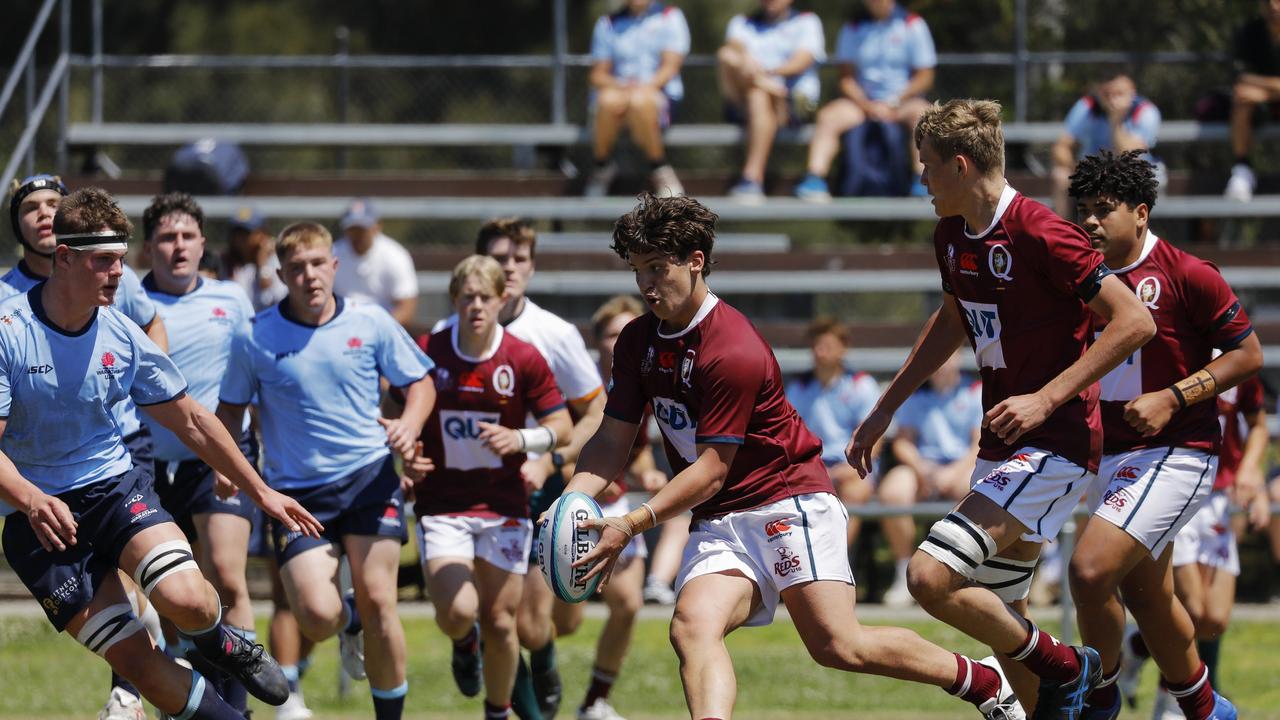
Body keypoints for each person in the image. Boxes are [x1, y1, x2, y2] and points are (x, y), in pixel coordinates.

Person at [566, 192, 1026, 720]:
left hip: (787, 501)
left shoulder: (729, 346)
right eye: (637, 271)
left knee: (837, 645)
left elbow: (713, 469)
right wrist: (571, 502)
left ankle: (982, 679)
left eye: (657, 268)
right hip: (721, 518)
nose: (647, 285)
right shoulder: (637, 341)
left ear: (696, 261)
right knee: (691, 627)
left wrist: (632, 521)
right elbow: (611, 438)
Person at [846, 100, 1156, 716]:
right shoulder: (951, 235)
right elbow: (954, 320)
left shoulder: (1042, 232)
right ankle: (1054, 685)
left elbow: (1134, 321)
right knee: (1005, 623)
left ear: (961, 166)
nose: (922, 180)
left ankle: (1073, 666)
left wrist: (1045, 398)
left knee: (930, 577)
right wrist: (886, 407)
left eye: (928, 167)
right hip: (1003, 447)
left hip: (1057, 442)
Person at [0, 186, 321, 719]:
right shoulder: (9, 334)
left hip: (111, 487)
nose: (118, 275)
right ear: (64, 258)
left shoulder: (121, 335)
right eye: (103, 262)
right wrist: (32, 498)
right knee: (138, 661)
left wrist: (262, 491)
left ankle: (220, 639)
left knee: (190, 600)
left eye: (121, 261)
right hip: (36, 519)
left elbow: (194, 419)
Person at [1065, 149, 1258, 720]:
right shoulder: (1076, 276)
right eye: (1084, 212)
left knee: (1089, 572)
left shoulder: (1188, 273)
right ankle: (1207, 711)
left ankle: (1099, 701)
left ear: (1142, 213)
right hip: (1110, 457)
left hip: (1175, 452)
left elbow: (1248, 357)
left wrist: (1173, 397)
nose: (1091, 223)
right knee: (1151, 600)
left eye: (1104, 210)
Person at [216, 221, 436, 720]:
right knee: (316, 615)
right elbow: (230, 410)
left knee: (382, 600)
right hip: (296, 493)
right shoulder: (255, 336)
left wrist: (409, 423)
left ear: (334, 266)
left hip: (369, 478)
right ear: (280, 275)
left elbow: (420, 382)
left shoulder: (370, 321)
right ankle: (348, 618)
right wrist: (228, 464)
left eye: (318, 264)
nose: (309, 276)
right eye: (297, 268)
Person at [8, 173, 174, 720]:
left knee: (137, 568)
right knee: (108, 594)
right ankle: (144, 656)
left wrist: (140, 386)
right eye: (31, 206)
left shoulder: (109, 270)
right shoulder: (6, 302)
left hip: (117, 442)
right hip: (41, 472)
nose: (44, 213)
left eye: (54, 203)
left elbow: (150, 329)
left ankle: (128, 690)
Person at [435, 217, 607, 719]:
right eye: (500, 259)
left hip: (537, 485)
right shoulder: (447, 335)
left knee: (530, 625)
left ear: (532, 267)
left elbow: (596, 412)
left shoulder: (552, 334)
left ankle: (545, 658)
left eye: (520, 259)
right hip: (465, 493)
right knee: (490, 616)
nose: (509, 268)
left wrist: (551, 460)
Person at [405, 255, 572, 720]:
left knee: (502, 623)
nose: (476, 306)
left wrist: (520, 439)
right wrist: (407, 451)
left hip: (503, 506)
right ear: (455, 299)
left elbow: (562, 426)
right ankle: (463, 641)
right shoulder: (430, 351)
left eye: (485, 297)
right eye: (467, 297)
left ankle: (497, 710)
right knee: (458, 610)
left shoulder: (521, 357)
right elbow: (397, 408)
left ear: (503, 299)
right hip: (443, 505)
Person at [140, 192, 262, 716]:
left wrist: (235, 453)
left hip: (215, 462)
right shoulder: (125, 300)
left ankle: (242, 705)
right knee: (172, 602)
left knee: (227, 577)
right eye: (167, 237)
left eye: (188, 236)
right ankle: (197, 705)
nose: (178, 246)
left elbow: (254, 378)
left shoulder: (232, 299)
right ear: (148, 247)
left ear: (203, 243)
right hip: (143, 465)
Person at [1118, 375, 1270, 718]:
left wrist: (1250, 473)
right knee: (1192, 611)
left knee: (1214, 620)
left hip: (1219, 497)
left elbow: (1257, 425)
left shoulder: (1235, 363)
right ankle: (1171, 705)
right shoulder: (1174, 353)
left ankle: (1135, 645)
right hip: (1176, 487)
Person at [794, 0, 937, 201]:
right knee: (828, 117)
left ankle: (921, 179)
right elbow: (846, 78)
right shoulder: (853, 27)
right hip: (861, 104)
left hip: (903, 102)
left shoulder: (913, 24)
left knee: (924, 115)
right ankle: (815, 178)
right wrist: (866, 105)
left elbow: (924, 77)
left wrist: (893, 101)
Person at [876, 350, 982, 608]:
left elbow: (979, 444)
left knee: (973, 487)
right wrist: (921, 469)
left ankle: (963, 572)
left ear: (959, 358)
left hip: (963, 466)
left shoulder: (975, 391)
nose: (943, 364)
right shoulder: (915, 394)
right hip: (922, 466)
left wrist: (953, 472)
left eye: (950, 357)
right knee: (892, 492)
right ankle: (905, 571)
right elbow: (903, 443)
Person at [783, 318, 880, 550]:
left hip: (852, 466)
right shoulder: (799, 388)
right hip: (811, 466)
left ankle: (836, 563)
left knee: (854, 492)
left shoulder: (861, 385)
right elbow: (788, 437)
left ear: (843, 348)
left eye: (826, 345)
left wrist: (846, 470)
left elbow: (874, 440)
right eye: (816, 345)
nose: (819, 351)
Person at [717, 0, 825, 201]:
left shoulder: (807, 21)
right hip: (754, 98)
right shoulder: (742, 22)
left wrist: (769, 73)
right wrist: (759, 75)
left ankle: (751, 179)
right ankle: (751, 179)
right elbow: (732, 48)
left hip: (794, 102)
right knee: (729, 58)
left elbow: (803, 60)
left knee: (757, 94)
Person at [584, 0, 690, 199]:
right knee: (606, 101)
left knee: (640, 101)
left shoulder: (670, 17)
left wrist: (642, 88)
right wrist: (621, 86)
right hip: (621, 95)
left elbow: (670, 66)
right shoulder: (608, 23)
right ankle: (602, 167)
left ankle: (659, 168)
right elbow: (597, 75)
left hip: (657, 94)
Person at [1050, 74, 1161, 217]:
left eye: (1119, 94)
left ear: (1132, 93)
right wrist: (1076, 168)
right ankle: (1064, 235)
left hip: (1131, 174)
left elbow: (1131, 155)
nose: (1112, 99)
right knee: (1060, 176)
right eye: (1107, 94)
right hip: (1092, 173)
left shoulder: (1145, 111)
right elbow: (1060, 147)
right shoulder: (1087, 107)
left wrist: (1115, 121)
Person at [1225, 0, 1280, 202]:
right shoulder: (1249, 32)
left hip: (1262, 96)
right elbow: (1241, 78)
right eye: (1268, 1)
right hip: (1257, 104)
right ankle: (1242, 170)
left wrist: (1265, 93)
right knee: (1242, 98)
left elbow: (1251, 80)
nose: (1273, 7)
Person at [334, 198, 419, 326]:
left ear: (377, 227)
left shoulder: (395, 255)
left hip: (384, 327)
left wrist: (380, 330)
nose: (358, 235)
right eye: (353, 229)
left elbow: (407, 307)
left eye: (362, 229)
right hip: (341, 325)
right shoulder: (332, 254)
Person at [221, 205, 287, 312]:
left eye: (247, 233)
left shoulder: (276, 261)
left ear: (262, 234)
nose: (241, 239)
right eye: (237, 233)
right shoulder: (226, 263)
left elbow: (275, 300)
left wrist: (262, 264)